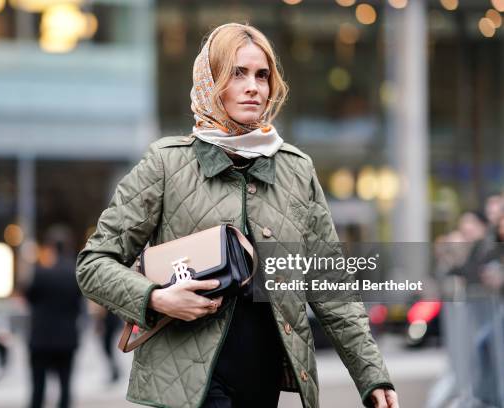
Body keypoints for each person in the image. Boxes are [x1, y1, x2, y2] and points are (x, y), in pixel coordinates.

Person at [77, 23, 398, 408]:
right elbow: (93, 264)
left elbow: (331, 286)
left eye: (262, 75)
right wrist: (157, 298)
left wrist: (372, 374)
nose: (254, 87)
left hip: (263, 380)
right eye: (237, 73)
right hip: (187, 385)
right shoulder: (166, 162)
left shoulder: (296, 169)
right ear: (210, 81)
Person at [24, 226, 84, 408]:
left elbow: (29, 297)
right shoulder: (75, 274)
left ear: (50, 246)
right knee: (65, 387)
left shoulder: (40, 272)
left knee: (38, 388)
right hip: (66, 338)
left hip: (40, 339)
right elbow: (78, 305)